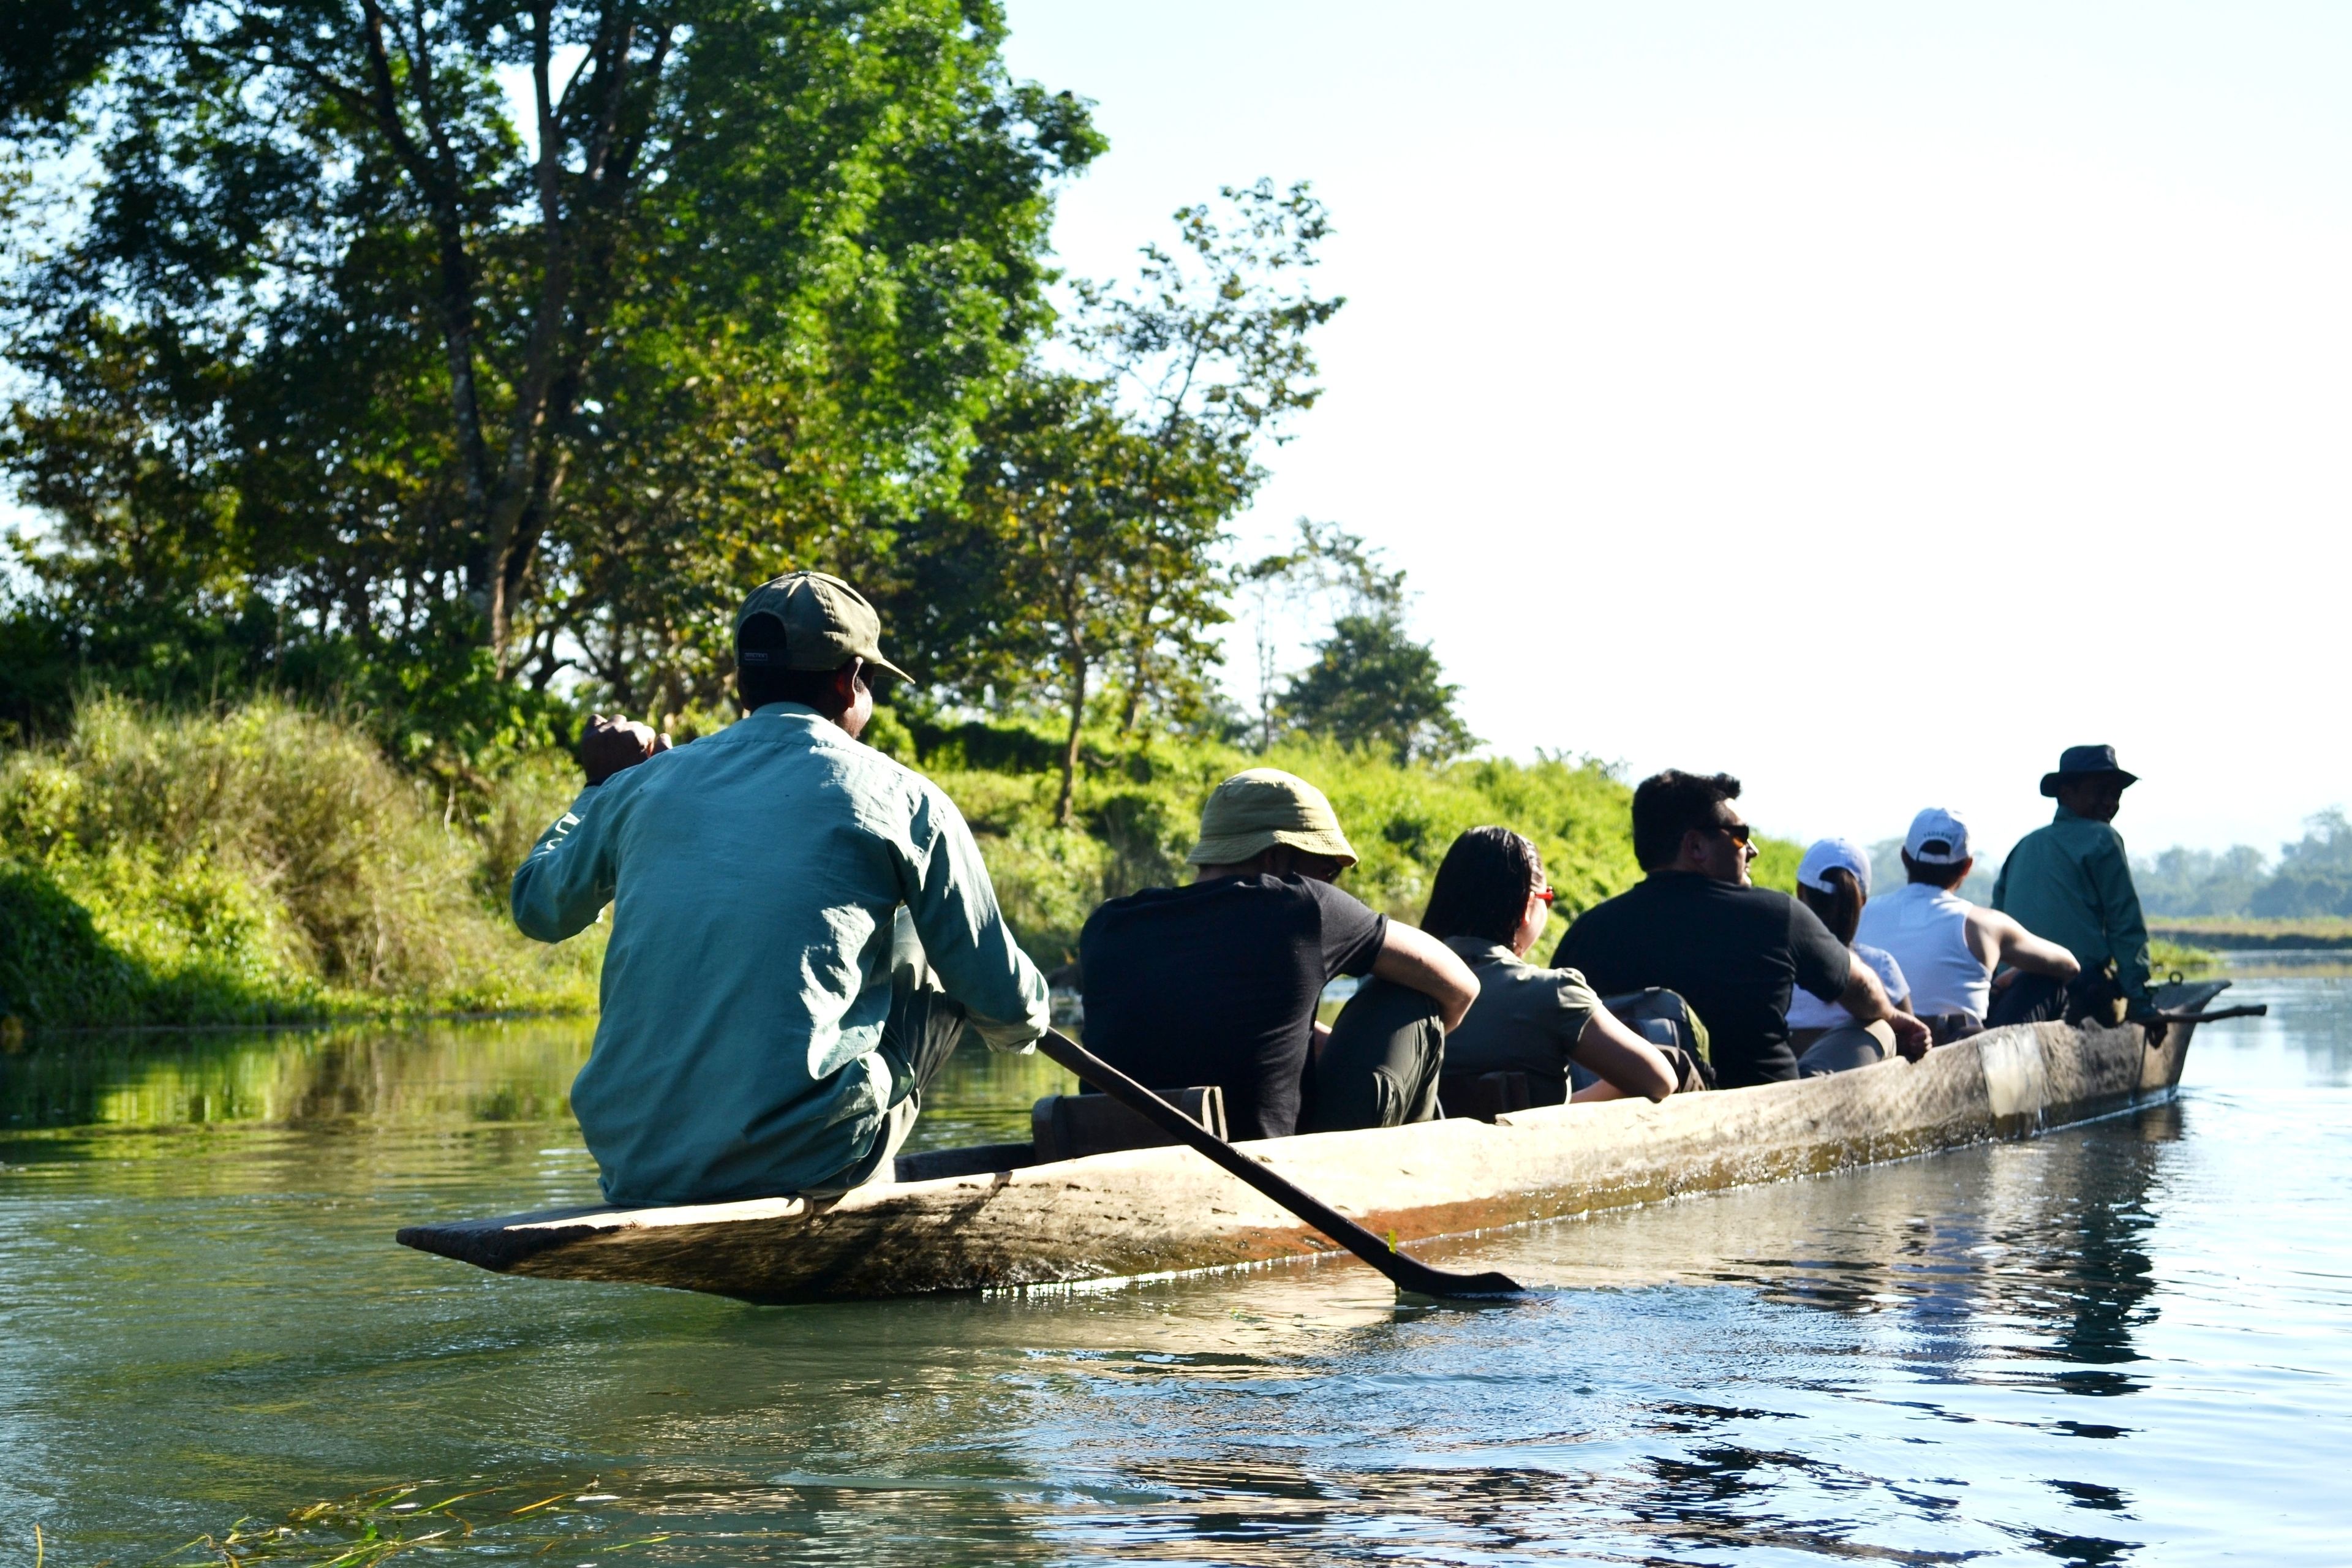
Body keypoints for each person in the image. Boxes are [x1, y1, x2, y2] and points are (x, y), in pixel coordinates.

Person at [510, 571, 1050, 1205]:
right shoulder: (906, 801)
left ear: (744, 682)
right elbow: (1007, 1005)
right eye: (870, 683)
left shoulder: (637, 787)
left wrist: (599, 787)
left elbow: (538, 908)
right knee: (916, 938)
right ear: (851, 680)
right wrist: (1025, 1026)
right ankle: (852, 1182)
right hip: (810, 1156)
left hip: (634, 1163)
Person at [1078, 769, 1479, 1140]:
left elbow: (1203, 1022)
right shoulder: (1303, 907)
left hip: (1113, 1161)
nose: (1330, 881)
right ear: (1273, 857)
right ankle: (1415, 1172)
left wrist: (1310, 1039)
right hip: (1263, 1176)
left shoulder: (1108, 925)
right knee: (1413, 1000)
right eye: (1327, 869)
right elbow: (1460, 985)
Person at [1553, 770, 1931, 1088]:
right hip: (1769, 1107)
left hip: (1643, 1108)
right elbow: (1860, 988)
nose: (1752, 849)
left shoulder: (1586, 932)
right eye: (1739, 834)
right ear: (1696, 846)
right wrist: (1894, 1017)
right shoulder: (1778, 915)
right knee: (1879, 1029)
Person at [1417, 827, 1680, 1104]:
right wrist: (1568, 1105)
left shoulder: (1388, 984)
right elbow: (1661, 1080)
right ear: (1527, 906)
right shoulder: (1553, 993)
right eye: (1548, 899)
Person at [1858, 806, 2081, 1042]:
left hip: (1879, 1044)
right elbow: (2070, 966)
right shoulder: (1982, 924)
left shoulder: (1863, 912)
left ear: (1905, 856)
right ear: (1967, 866)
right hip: (1960, 1051)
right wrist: (2015, 973)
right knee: (2044, 983)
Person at [1989, 746, 2163, 1040]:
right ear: (2067, 793)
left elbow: (1995, 927)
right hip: (2075, 989)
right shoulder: (2103, 838)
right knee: (2113, 1004)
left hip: (2008, 988)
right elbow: (2125, 926)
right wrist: (2140, 1001)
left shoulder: (2023, 845)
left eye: (2116, 795)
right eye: (2100, 792)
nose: (2110, 803)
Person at [1785, 837, 1912, 1075]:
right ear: (1861, 901)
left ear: (1801, 892)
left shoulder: (1781, 966)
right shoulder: (1881, 967)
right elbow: (1910, 1040)